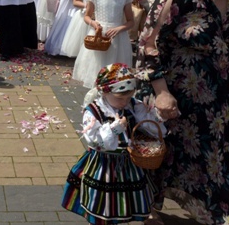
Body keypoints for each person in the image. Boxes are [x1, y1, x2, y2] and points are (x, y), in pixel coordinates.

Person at [134, 0, 229, 224]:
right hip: (177, 99)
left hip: (219, 100)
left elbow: (225, 43)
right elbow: (147, 44)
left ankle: (221, 216)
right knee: (167, 160)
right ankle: (147, 206)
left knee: (219, 164)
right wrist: (160, 92)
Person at [62, 63, 164, 222]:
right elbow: (94, 141)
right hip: (103, 164)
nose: (124, 102)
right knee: (105, 199)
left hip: (129, 161)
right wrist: (114, 129)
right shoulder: (94, 111)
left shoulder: (132, 105)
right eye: (120, 98)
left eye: (128, 97)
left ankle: (133, 214)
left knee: (129, 195)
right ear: (104, 92)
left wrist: (144, 114)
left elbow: (150, 126)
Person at [72, 0, 133, 87]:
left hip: (117, 36)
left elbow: (131, 21)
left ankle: (111, 88)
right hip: (99, 34)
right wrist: (93, 23)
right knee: (97, 63)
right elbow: (87, 16)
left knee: (114, 65)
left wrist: (120, 28)